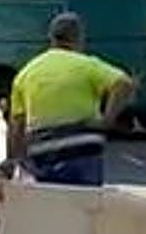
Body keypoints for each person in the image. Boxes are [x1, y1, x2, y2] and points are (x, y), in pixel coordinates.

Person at [8, 13, 135, 186]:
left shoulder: (26, 73)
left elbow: (17, 127)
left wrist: (15, 162)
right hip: (83, 149)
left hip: (43, 153)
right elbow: (124, 84)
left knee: (52, 203)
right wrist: (106, 120)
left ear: (51, 38)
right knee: (86, 205)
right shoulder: (87, 65)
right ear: (79, 38)